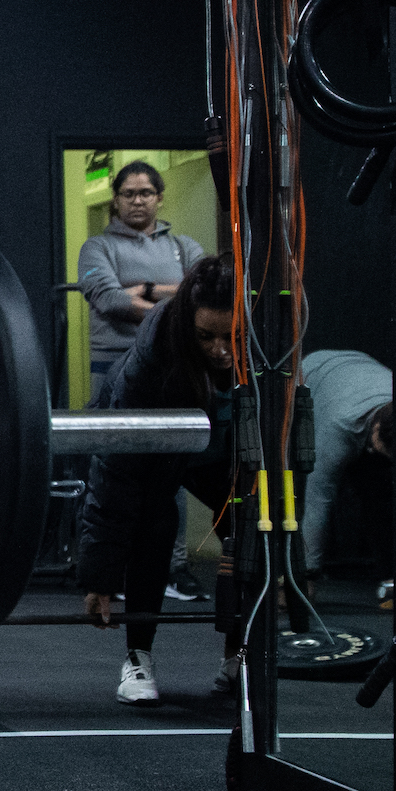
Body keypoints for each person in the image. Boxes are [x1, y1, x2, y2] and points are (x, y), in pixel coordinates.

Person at [78, 252, 238, 705]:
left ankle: (237, 656)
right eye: (207, 337)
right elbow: (116, 475)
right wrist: (101, 576)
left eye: (231, 337)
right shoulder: (151, 362)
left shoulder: (267, 346)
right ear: (188, 325)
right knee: (154, 523)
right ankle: (137, 658)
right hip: (155, 446)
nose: (221, 350)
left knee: (250, 521)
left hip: (216, 449)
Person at [76, 162, 205, 396]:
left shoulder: (184, 247)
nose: (137, 201)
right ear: (116, 200)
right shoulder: (97, 248)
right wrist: (176, 306)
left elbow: (199, 292)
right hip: (114, 362)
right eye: (129, 194)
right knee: (114, 431)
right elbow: (111, 300)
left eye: (145, 193)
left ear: (159, 198)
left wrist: (147, 289)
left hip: (173, 359)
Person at [299, 349, 393, 580]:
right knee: (310, 482)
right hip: (311, 372)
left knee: (381, 490)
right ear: (377, 430)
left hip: (360, 365)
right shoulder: (339, 426)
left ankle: (391, 574)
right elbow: (317, 497)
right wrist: (307, 573)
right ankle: (299, 569)